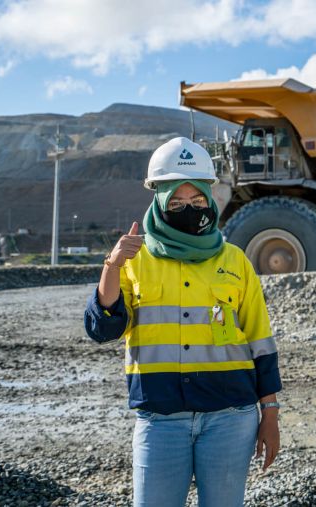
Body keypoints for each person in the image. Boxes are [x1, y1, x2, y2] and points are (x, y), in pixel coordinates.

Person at [84, 137, 282, 506]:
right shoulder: (134, 258)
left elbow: (259, 340)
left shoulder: (235, 260)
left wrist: (269, 412)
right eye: (176, 202)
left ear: (209, 198)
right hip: (161, 421)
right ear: (158, 201)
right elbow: (103, 327)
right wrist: (112, 266)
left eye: (196, 201)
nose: (188, 209)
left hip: (230, 418)